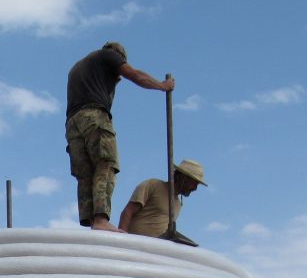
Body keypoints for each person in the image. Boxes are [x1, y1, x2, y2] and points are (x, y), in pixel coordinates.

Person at [65, 41, 174, 231]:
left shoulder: (77, 68)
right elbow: (135, 75)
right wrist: (162, 86)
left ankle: (92, 221)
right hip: (94, 117)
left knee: (86, 173)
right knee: (106, 163)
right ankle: (100, 220)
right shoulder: (108, 55)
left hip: (72, 123)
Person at [118, 159, 207, 241]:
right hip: (134, 244)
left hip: (154, 250)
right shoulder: (153, 185)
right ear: (182, 177)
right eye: (194, 183)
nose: (195, 188)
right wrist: (122, 240)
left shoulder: (177, 204)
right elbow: (128, 212)